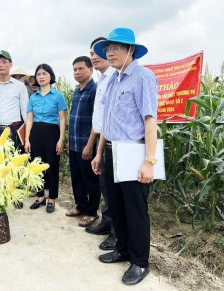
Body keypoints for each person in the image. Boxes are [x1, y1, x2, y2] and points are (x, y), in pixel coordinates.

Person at [91, 27, 158, 285]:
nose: (110, 52)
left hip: (132, 152)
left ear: (131, 50)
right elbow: (108, 122)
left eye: (116, 47)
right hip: (111, 152)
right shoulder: (114, 80)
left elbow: (150, 120)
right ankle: (122, 248)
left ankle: (140, 262)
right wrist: (99, 154)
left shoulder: (143, 77)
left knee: (135, 210)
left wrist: (149, 161)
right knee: (116, 206)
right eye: (108, 48)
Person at [0, 50, 29, 208]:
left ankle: (13, 194)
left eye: (4, 62)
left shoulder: (20, 86)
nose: (1, 65)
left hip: (13, 130)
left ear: (10, 64)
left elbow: (25, 112)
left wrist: (27, 136)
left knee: (13, 164)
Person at [85, 37, 117, 251]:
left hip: (117, 143)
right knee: (105, 187)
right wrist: (97, 149)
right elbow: (100, 119)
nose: (94, 56)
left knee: (116, 192)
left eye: (97, 52)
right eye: (91, 54)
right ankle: (107, 222)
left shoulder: (115, 78)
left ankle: (117, 233)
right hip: (104, 140)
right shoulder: (103, 80)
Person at [24, 64, 67, 213]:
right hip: (36, 132)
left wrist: (61, 139)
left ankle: (52, 198)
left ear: (50, 76)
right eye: (38, 74)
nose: (41, 77)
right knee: (36, 165)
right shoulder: (33, 97)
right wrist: (27, 139)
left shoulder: (58, 96)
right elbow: (29, 119)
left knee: (52, 166)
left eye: (44, 73)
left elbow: (62, 119)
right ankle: (40, 195)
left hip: (52, 132)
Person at [65, 56, 101, 227]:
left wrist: (89, 145)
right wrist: (69, 141)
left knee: (90, 181)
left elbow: (96, 121)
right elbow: (73, 119)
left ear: (90, 70)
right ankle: (81, 206)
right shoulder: (77, 92)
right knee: (77, 179)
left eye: (80, 69)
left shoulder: (95, 90)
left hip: (87, 145)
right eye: (74, 69)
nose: (77, 72)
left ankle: (92, 212)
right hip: (74, 143)